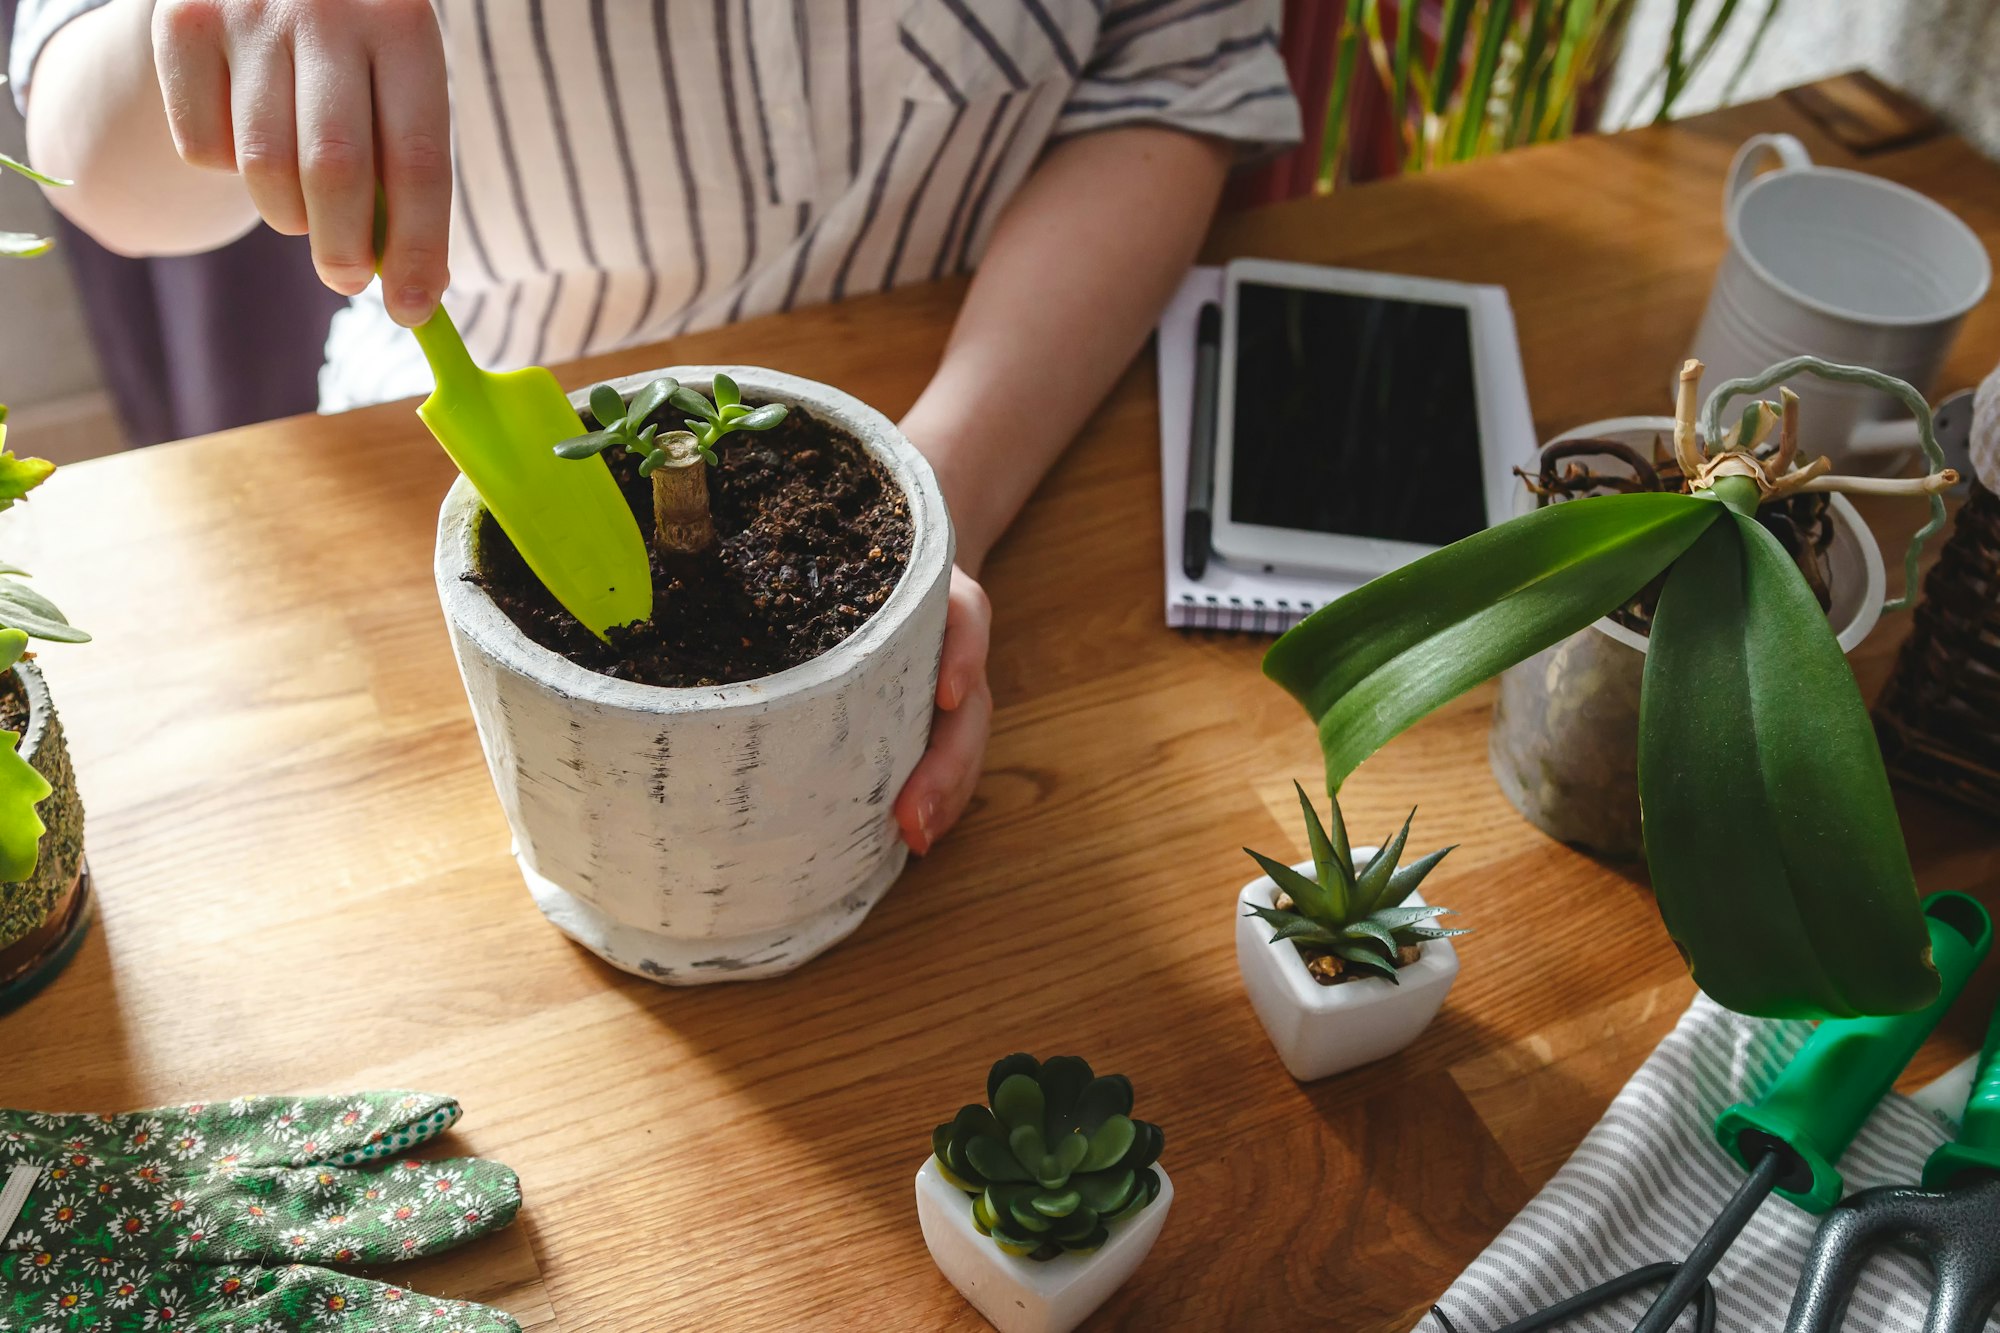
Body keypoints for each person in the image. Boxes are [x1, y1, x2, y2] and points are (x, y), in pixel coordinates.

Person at [11, 0, 1299, 853]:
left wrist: (945, 487)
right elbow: (91, 160)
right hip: (464, 438)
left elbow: (1173, 70)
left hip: (1007, 379)